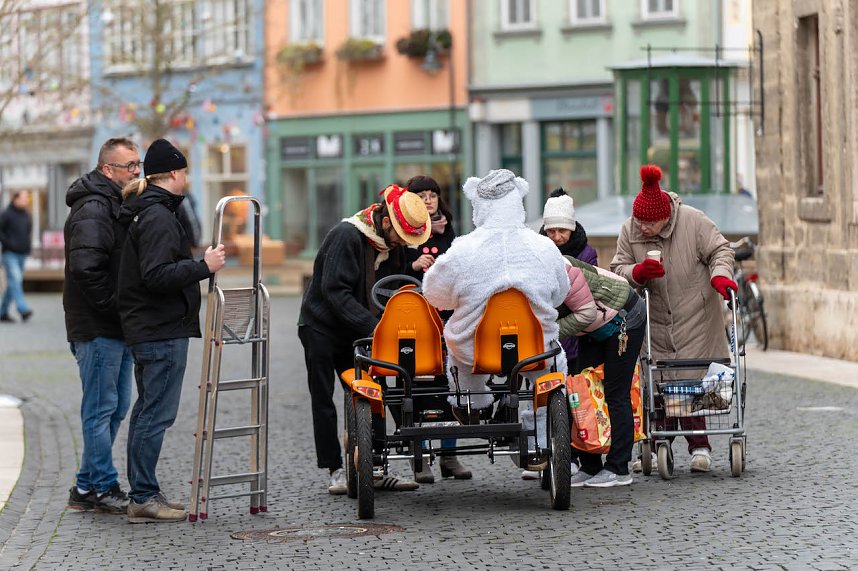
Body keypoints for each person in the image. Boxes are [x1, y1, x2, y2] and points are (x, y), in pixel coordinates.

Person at [117, 139, 226, 523]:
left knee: (149, 411)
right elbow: (156, 274)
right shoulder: (159, 215)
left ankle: (145, 491)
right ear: (176, 174)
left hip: (152, 326)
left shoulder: (148, 210)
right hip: (159, 328)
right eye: (186, 172)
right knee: (154, 414)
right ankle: (143, 496)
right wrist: (203, 266)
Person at [299, 184, 431, 495]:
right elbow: (335, 292)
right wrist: (375, 328)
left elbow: (392, 289)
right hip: (320, 325)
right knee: (324, 400)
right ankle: (335, 469)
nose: (403, 244)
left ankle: (376, 465)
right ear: (386, 223)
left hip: (358, 328)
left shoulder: (392, 245)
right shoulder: (347, 235)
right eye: (401, 236)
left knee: (375, 394)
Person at [422, 169, 570, 438]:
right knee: (553, 364)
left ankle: (470, 403)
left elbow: (434, 293)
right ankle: (542, 426)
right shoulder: (545, 248)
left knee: (458, 355)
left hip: (476, 348)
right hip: (533, 346)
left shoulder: (463, 249)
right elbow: (560, 294)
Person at [611, 165, 735, 473]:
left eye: (650, 223)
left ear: (665, 215)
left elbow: (721, 250)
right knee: (658, 385)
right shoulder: (630, 230)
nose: (644, 228)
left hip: (695, 315)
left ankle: (700, 446)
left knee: (692, 382)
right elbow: (617, 269)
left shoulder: (693, 222)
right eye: (639, 221)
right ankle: (652, 447)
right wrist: (637, 274)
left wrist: (720, 276)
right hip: (653, 320)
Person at [63, 137, 141, 514]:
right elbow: (85, 268)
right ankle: (104, 484)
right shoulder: (94, 207)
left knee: (115, 406)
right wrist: (115, 308)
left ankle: (84, 486)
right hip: (96, 326)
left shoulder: (114, 201)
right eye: (130, 166)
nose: (137, 172)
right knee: (100, 408)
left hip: (112, 325)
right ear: (108, 169)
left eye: (139, 164)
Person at [525, 187, 597, 481]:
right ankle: (546, 454)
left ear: (571, 228)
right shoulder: (538, 249)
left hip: (575, 336)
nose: (556, 236)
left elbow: (585, 295)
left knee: (573, 399)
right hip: (546, 334)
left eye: (561, 230)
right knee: (543, 398)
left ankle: (575, 456)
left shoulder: (585, 252)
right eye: (551, 230)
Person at [403, 175, 471, 483]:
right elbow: (391, 271)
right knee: (415, 385)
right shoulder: (404, 232)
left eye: (433, 194)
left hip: (446, 315)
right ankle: (419, 458)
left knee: (449, 384)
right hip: (415, 315)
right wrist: (413, 266)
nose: (429, 200)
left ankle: (448, 455)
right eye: (422, 195)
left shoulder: (448, 229)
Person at [556, 256, 647, 487]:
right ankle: (590, 465)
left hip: (624, 319)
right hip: (594, 325)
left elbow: (584, 313)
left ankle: (619, 467)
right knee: (584, 390)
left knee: (616, 393)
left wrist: (549, 332)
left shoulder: (561, 270)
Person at [0, 191, 34, 323]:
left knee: (12, 284)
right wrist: (9, 243)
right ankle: (23, 309)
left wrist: (27, 247)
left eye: (27, 198)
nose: (26, 200)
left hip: (22, 254)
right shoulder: (6, 214)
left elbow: (28, 232)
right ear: (15, 199)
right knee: (16, 279)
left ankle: (2, 312)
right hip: (9, 254)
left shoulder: (26, 215)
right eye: (24, 198)